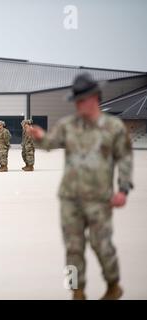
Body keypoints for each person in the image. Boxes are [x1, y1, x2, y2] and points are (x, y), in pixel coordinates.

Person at [28, 73, 133, 300]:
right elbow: (50, 143)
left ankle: (113, 285)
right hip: (70, 198)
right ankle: (76, 291)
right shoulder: (68, 125)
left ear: (94, 98)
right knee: (72, 249)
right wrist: (39, 136)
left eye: (81, 100)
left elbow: (124, 158)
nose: (77, 105)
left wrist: (123, 190)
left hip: (99, 198)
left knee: (101, 244)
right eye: (75, 101)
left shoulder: (114, 127)